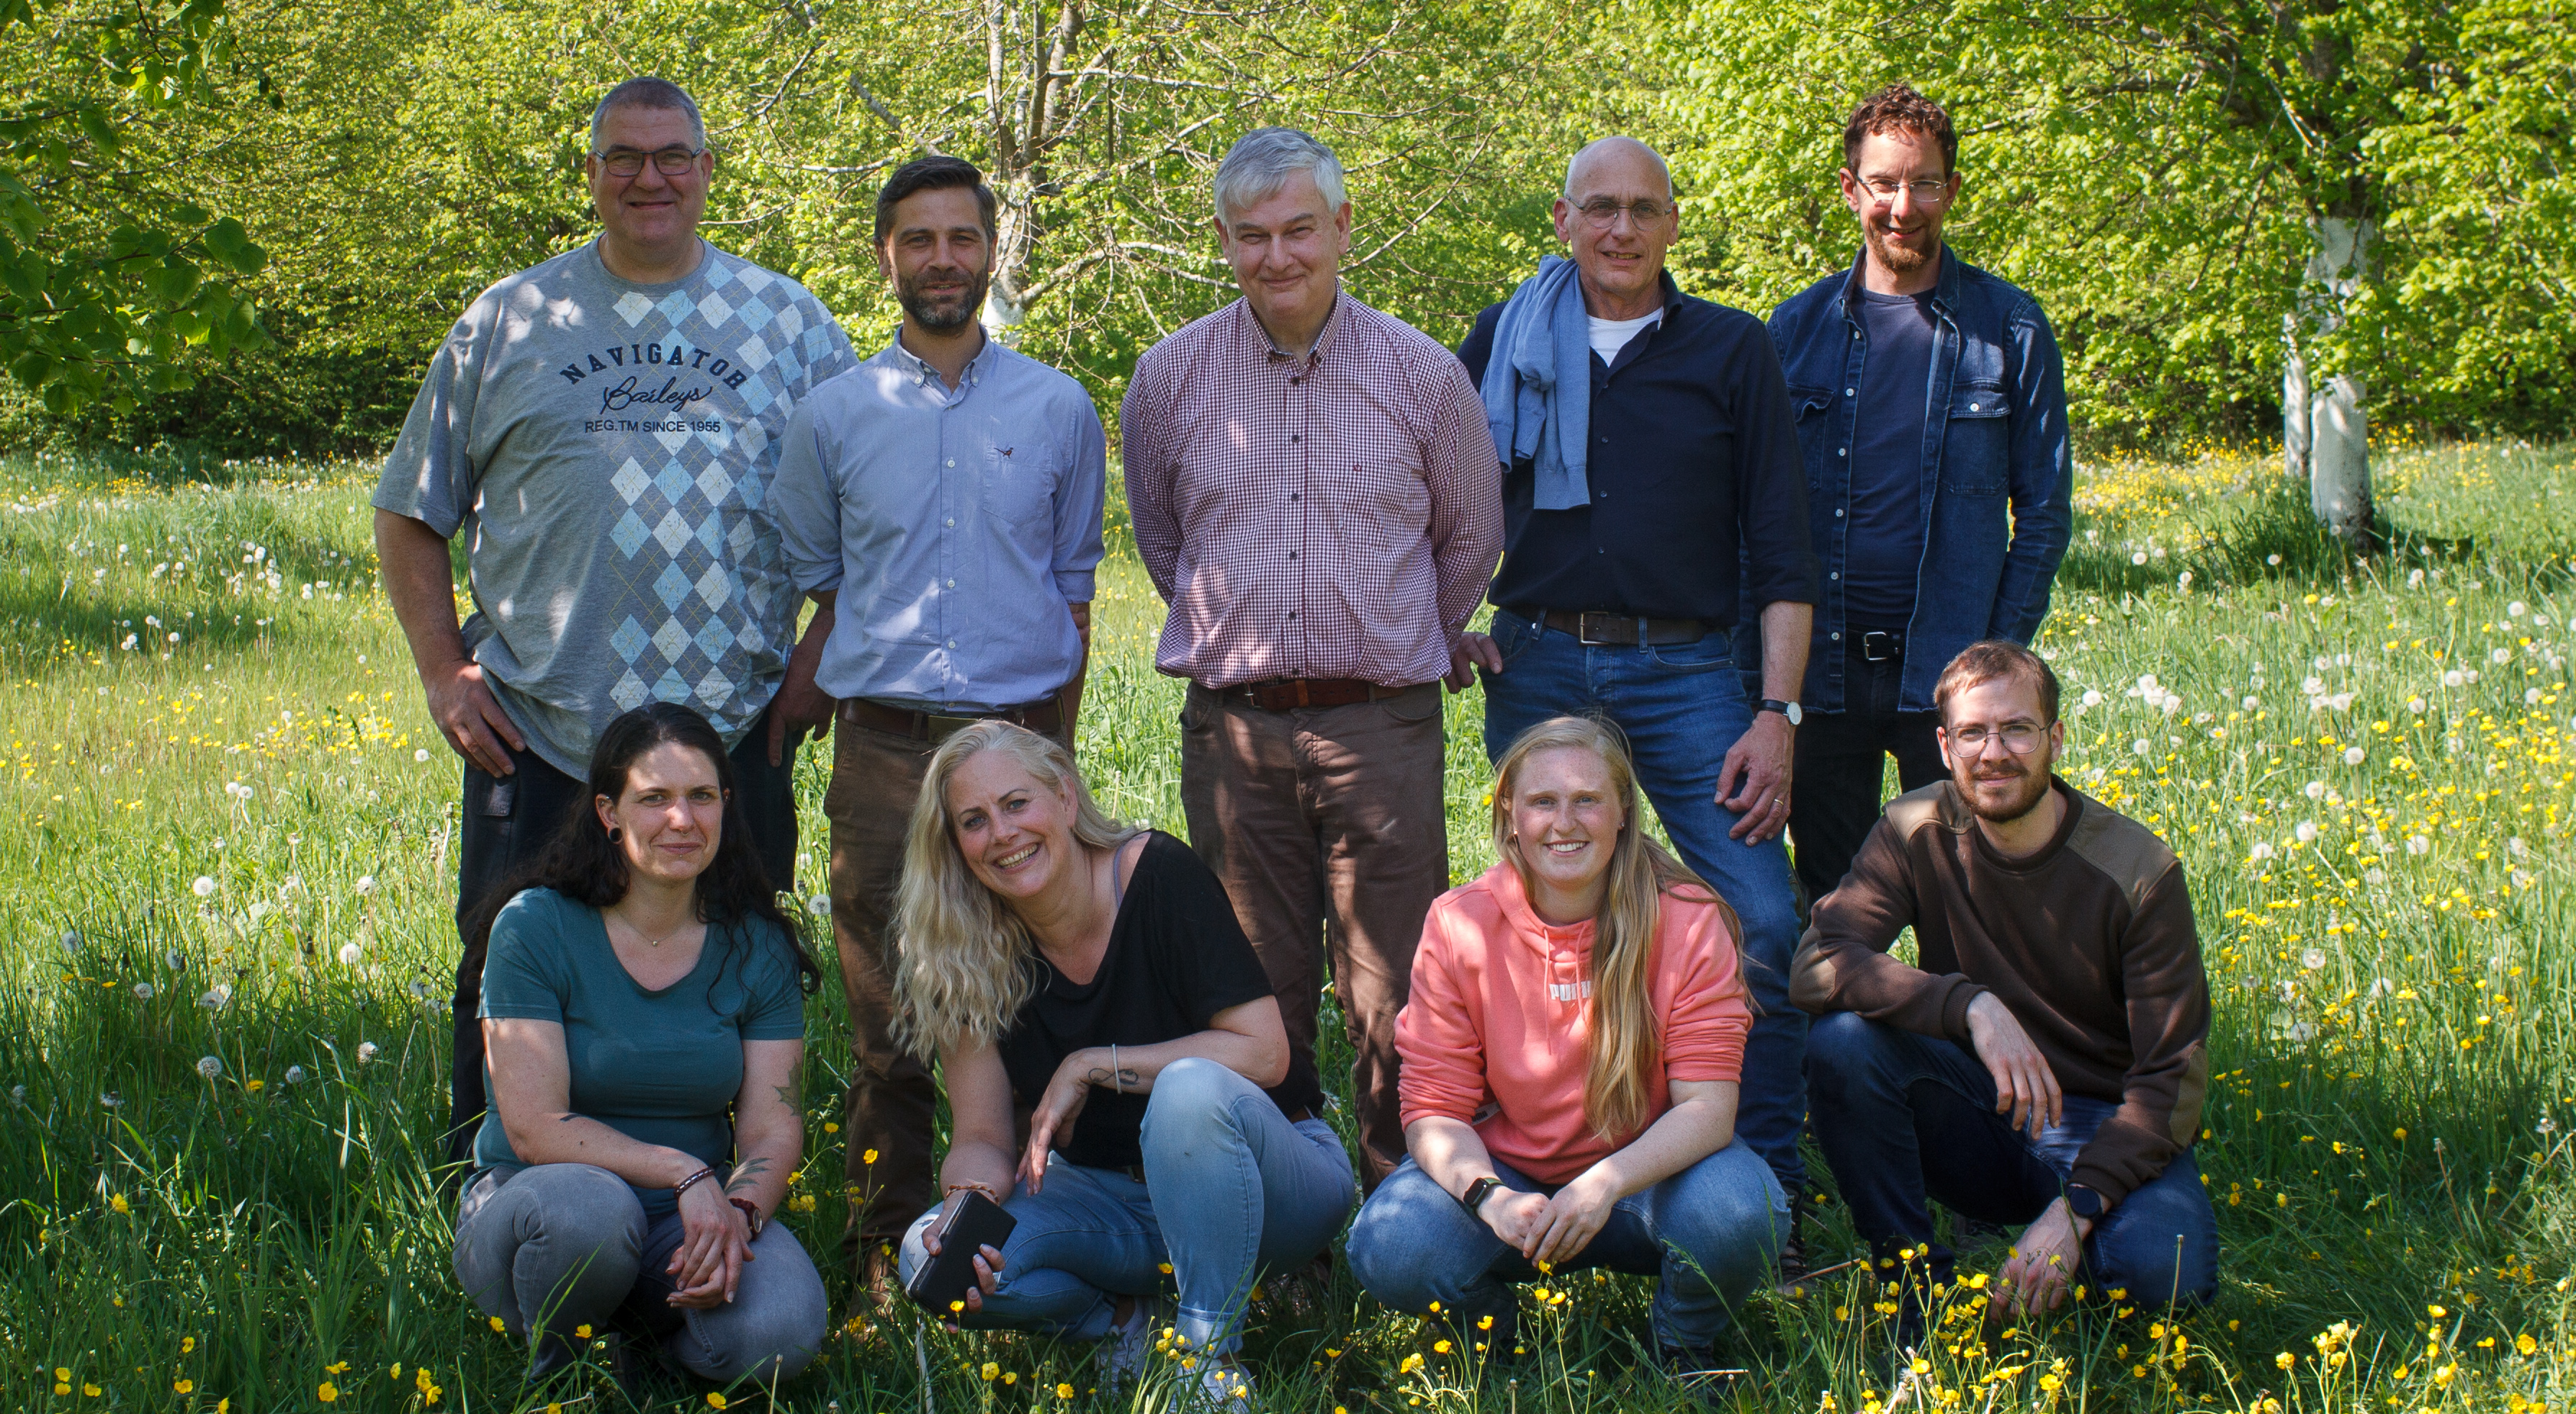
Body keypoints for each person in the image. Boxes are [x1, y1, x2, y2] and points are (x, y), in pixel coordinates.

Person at [374, 76, 857, 1158]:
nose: (652, 177)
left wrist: (820, 653)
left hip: (729, 729)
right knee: (504, 960)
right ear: (591, 175)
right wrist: (444, 668)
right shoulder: (509, 320)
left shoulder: (790, 323)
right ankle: (489, 1197)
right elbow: (410, 509)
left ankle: (733, 1201)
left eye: (674, 156)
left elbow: (866, 506)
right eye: (625, 158)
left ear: (708, 171)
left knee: (735, 968)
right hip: (543, 720)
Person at [1119, 126, 1504, 1184]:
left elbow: (1471, 535)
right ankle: (1285, 1214)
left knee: (1396, 987)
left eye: (1298, 230)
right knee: (1255, 989)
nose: (1276, 256)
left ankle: (1399, 1206)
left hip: (1380, 723)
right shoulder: (1169, 378)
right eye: (1252, 237)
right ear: (1223, 241)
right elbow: (1163, 539)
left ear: (1341, 227)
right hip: (1235, 733)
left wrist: (1394, 631)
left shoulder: (1422, 374)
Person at [1455, 136, 1818, 1241]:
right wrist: (1446, 617)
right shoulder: (1502, 338)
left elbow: (1784, 546)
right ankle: (1525, 1178)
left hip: (1688, 671)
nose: (1620, 230)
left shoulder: (1731, 350)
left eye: (1643, 210)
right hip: (1540, 661)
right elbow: (1437, 491)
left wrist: (1779, 713)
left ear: (1672, 224)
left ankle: (1761, 1192)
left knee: (1762, 916)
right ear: (1562, 222)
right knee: (1537, 925)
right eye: (1599, 209)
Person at [766, 156, 1108, 1307]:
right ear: (887, 257)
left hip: (1016, 747)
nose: (943, 260)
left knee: (1029, 996)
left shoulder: (1058, 408)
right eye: (919, 240)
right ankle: (881, 1246)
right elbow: (822, 572)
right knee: (887, 1014)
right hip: (884, 749)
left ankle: (1025, 1228)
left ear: (990, 252)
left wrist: (1054, 760)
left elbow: (1073, 591)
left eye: (963, 238)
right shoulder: (835, 417)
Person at [887, 722, 1355, 1414]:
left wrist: (1092, 1065)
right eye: (973, 821)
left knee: (1189, 1090)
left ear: (1066, 799)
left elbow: (1265, 1054)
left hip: (1268, 1184)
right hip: (1112, 1204)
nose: (1003, 834)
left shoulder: (1156, 875)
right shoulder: (965, 949)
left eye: (1018, 803)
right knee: (927, 1260)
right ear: (954, 844)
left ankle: (1207, 1366)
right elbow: (982, 1134)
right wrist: (969, 1206)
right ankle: (1127, 1324)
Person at [1344, 717, 1782, 1391]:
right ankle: (1490, 1337)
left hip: (1651, 1185)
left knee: (1740, 1213)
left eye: (1587, 800)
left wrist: (1602, 1185)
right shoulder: (1459, 923)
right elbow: (1433, 1110)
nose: (1564, 822)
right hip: (1514, 1185)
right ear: (1510, 816)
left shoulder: (1689, 918)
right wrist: (1489, 1197)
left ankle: (1682, 1346)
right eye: (1543, 802)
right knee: (1390, 1244)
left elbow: (1709, 1110)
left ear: (1623, 815)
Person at [1792, 641, 2218, 1322]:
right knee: (1841, 1043)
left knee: (2163, 1283)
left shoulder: (2138, 869)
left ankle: (2071, 1259)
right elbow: (1817, 965)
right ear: (1944, 744)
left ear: (2054, 737)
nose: (1994, 753)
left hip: (2100, 1122)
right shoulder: (1915, 829)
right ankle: (1912, 1292)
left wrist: (2074, 1210)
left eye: (2016, 729)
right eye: (1972, 733)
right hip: (1977, 1112)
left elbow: (2172, 1078)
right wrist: (1967, 1004)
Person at [452, 704, 830, 1388]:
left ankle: (648, 1363)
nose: (681, 821)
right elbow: (535, 1130)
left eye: (701, 797)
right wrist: (685, 1172)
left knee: (784, 1330)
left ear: (725, 806)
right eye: (653, 799)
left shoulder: (755, 945)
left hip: (686, 1224)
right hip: (537, 1211)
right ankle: (556, 1385)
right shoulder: (535, 928)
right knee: (592, 1212)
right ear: (608, 812)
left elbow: (773, 1127)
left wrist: (737, 1217)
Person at [1767, 85, 2072, 909]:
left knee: (1976, 902)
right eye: (1885, 184)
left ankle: (1975, 1039)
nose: (1904, 207)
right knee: (1834, 905)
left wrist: (1995, 664)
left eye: (1926, 184)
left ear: (1951, 190)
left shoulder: (2010, 329)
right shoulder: (1792, 334)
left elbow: (2043, 513)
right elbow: (1755, 519)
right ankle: (1850, 1043)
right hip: (1820, 676)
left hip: (1951, 677)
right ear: (1850, 189)